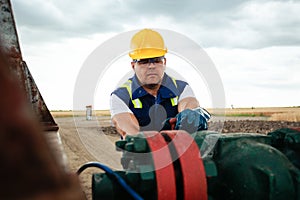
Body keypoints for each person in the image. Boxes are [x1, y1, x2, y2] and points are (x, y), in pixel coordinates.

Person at [110, 28, 210, 138]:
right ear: (133, 66)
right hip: (140, 154)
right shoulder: (119, 96)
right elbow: (128, 130)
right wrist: (155, 140)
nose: (151, 66)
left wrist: (190, 115)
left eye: (157, 60)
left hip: (177, 153)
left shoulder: (182, 88)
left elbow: (189, 104)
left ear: (164, 63)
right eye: (144, 61)